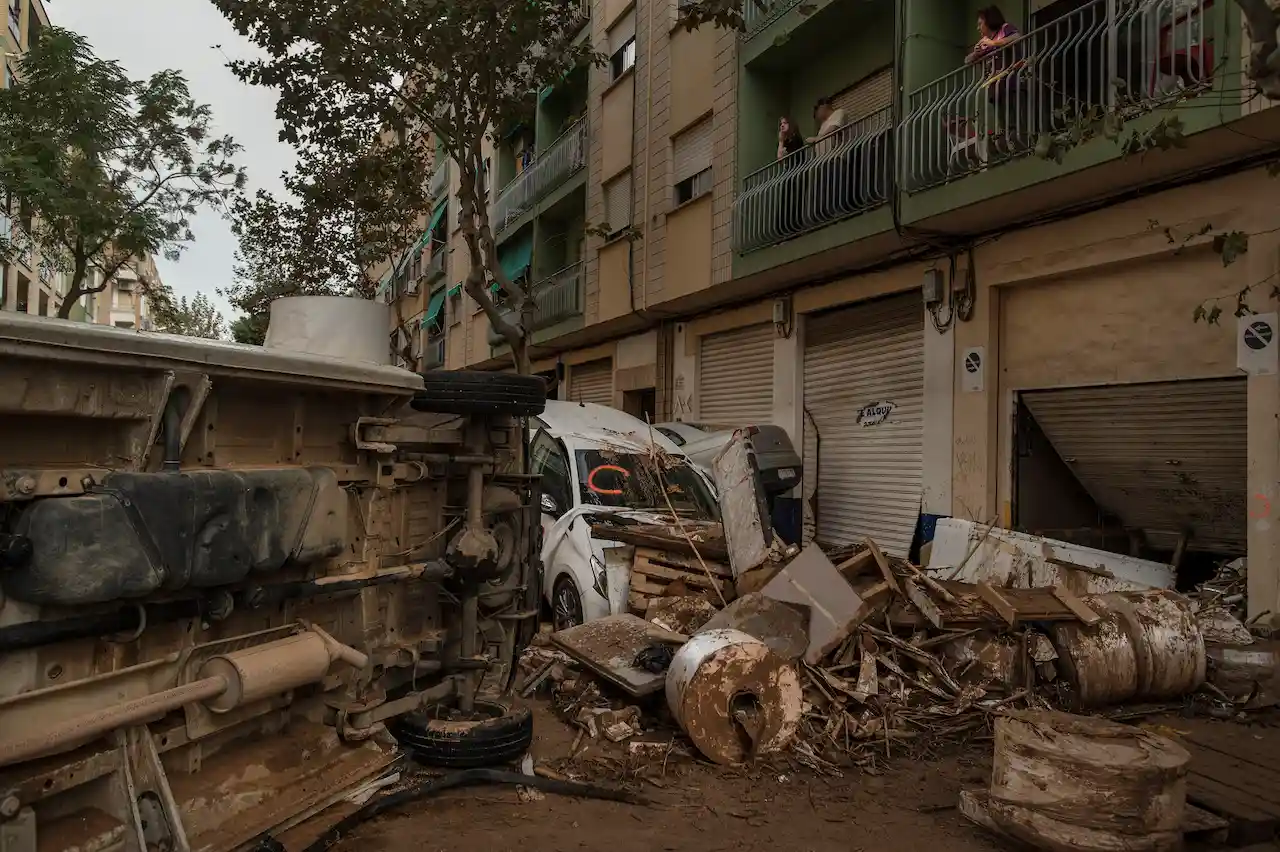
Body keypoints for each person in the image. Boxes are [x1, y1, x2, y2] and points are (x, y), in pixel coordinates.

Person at [775, 116, 806, 236]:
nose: (782, 125)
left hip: (796, 175)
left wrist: (782, 142)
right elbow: (780, 160)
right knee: (784, 204)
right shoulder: (786, 142)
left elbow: (783, 157)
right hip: (788, 175)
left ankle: (793, 232)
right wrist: (781, 142)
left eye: (785, 123)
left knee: (793, 203)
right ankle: (782, 234)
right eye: (781, 123)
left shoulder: (796, 139)